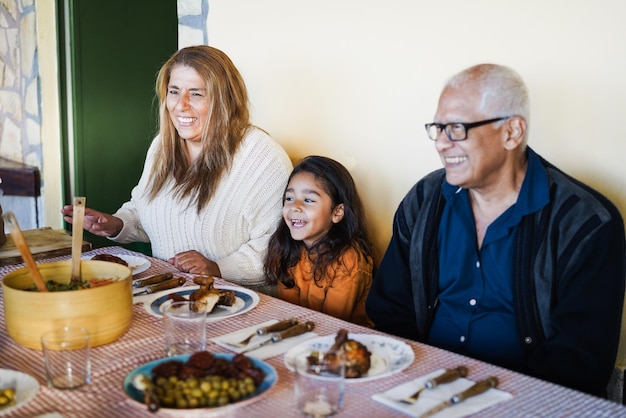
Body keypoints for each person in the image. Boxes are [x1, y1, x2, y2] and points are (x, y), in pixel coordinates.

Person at [366, 63, 625, 397]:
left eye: (457, 128)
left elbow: (578, 364)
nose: (442, 144)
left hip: (524, 401)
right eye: (438, 128)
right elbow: (389, 312)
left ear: (512, 132)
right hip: (422, 389)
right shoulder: (423, 201)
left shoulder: (586, 223)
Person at [61, 45, 292, 292]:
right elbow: (146, 211)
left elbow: (280, 252)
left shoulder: (262, 158)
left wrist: (217, 268)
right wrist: (116, 224)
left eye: (196, 94)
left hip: (238, 304)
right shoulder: (162, 146)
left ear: (225, 100)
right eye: (174, 91)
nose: (180, 105)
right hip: (169, 293)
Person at [264, 156, 375, 326]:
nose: (295, 206)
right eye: (289, 198)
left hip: (341, 341)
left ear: (337, 212)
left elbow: (330, 324)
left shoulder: (349, 259)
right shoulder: (291, 251)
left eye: (308, 200)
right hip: (302, 334)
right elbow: (287, 312)